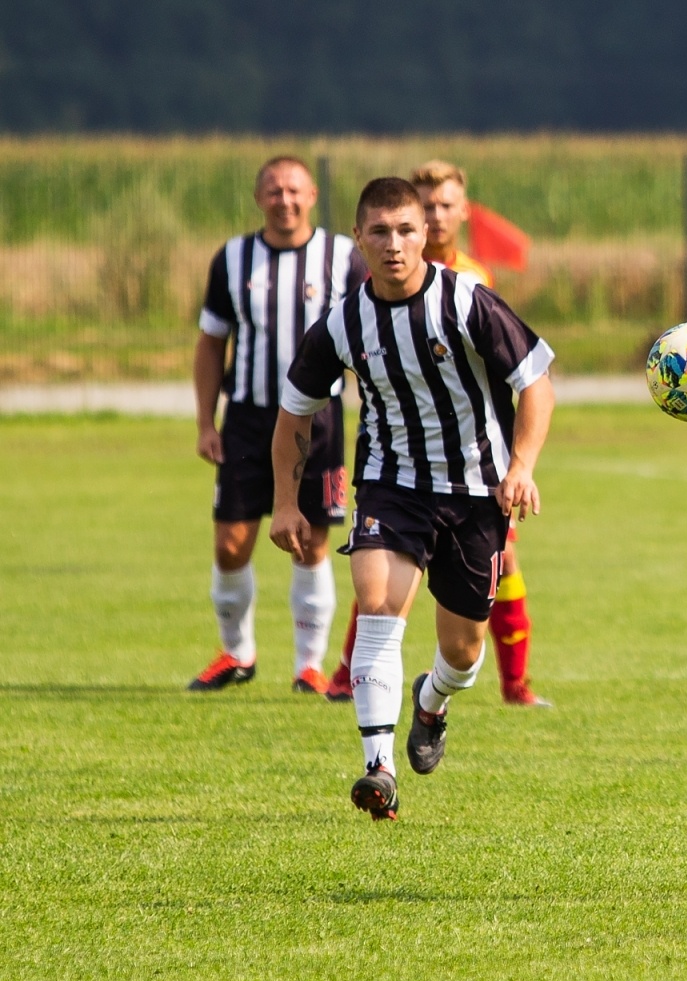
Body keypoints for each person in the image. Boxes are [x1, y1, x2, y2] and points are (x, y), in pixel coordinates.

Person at [269, 177, 555, 820]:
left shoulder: (469, 301)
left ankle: (433, 701)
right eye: (379, 232)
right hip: (390, 486)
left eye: (405, 230)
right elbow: (294, 418)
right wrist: (286, 503)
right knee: (377, 608)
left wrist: (522, 466)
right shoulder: (342, 323)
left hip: (477, 493)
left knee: (462, 652)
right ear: (358, 240)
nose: (393, 245)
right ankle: (379, 768)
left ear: (425, 234)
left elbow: (535, 382)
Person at [324, 160, 550, 708]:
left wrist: (515, 462)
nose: (437, 216)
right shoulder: (377, 282)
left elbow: (515, 374)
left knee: (498, 571)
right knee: (381, 562)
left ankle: (511, 681)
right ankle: (349, 672)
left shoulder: (473, 282)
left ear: (461, 213)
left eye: (445, 206)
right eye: (427, 206)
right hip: (401, 464)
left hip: (476, 463)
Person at [188, 156, 365, 694]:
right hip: (247, 419)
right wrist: (205, 421)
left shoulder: (342, 257)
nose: (283, 200)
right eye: (273, 190)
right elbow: (211, 342)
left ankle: (308, 666)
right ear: (258, 197)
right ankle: (236, 653)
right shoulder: (234, 258)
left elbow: (367, 334)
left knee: (310, 541)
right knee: (230, 544)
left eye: (293, 190)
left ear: (311, 194)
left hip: (320, 420)